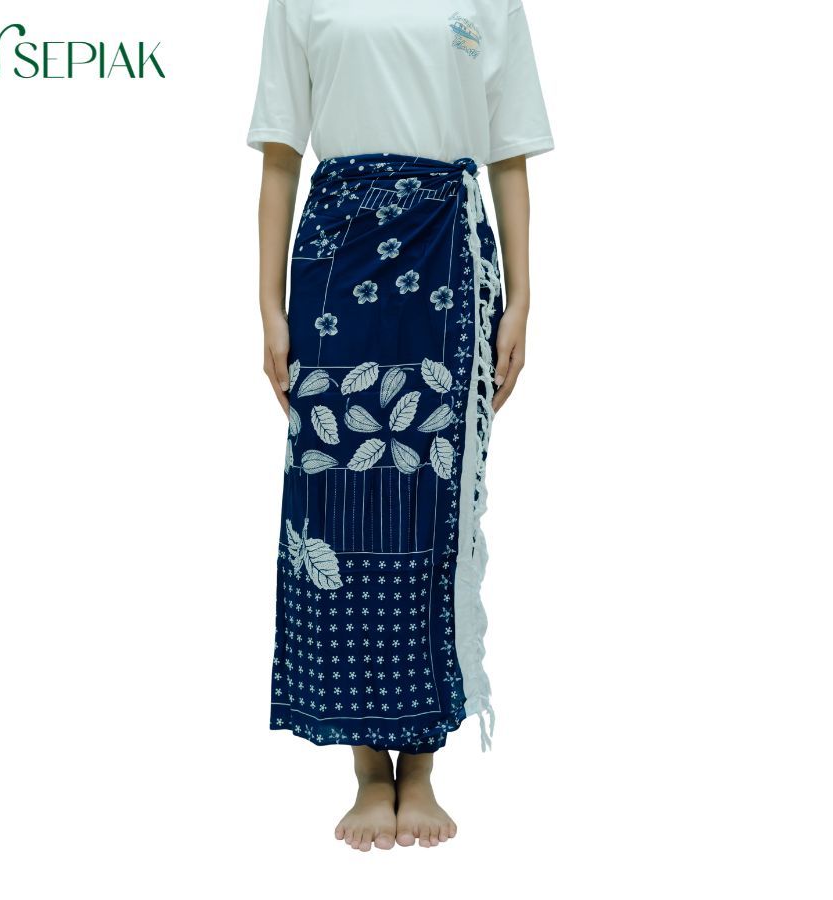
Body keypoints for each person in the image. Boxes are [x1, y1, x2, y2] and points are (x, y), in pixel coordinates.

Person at [246, 0, 554, 852]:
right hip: (335, 259)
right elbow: (281, 151)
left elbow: (508, 153)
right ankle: (364, 768)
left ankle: (419, 767)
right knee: (337, 505)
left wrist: (523, 297)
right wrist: (268, 304)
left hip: (447, 258)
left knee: (431, 502)